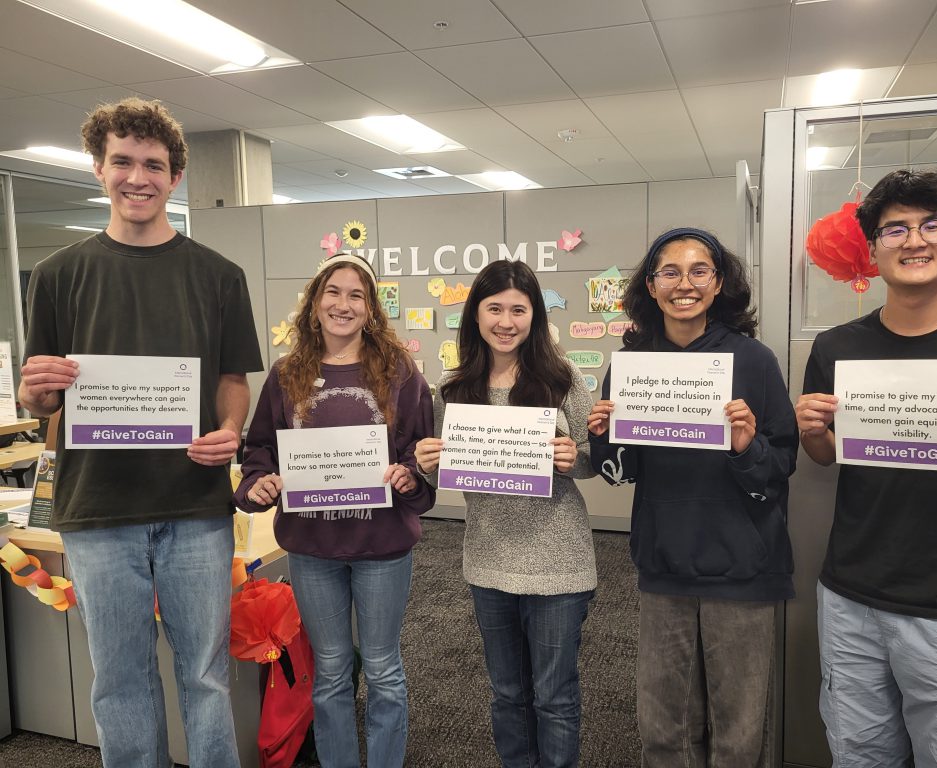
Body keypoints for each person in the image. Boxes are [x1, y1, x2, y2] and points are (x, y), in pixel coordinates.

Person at [18, 98, 263, 767]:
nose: (137, 176)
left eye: (153, 164)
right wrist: (36, 391)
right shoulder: (59, 275)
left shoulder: (218, 275)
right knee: (120, 681)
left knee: (206, 675)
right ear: (98, 169)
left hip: (195, 508)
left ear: (175, 176)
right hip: (97, 509)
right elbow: (37, 394)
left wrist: (231, 431)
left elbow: (232, 380)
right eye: (122, 161)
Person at [797, 168, 937, 768]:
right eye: (895, 229)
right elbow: (826, 456)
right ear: (872, 249)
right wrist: (812, 432)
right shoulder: (837, 347)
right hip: (851, 591)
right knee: (858, 751)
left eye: (933, 224)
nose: (915, 241)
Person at [588, 228, 797, 767]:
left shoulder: (754, 360)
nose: (685, 283)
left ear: (719, 281)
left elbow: (782, 465)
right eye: (670, 272)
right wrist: (603, 436)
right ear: (651, 287)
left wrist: (746, 447)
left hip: (744, 567)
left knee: (739, 732)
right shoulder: (632, 363)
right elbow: (618, 472)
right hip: (664, 564)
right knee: (663, 728)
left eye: (699, 270)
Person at [234, 253, 434, 768]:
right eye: (333, 293)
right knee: (329, 670)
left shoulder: (401, 373)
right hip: (311, 548)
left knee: (385, 669)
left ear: (370, 310)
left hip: (383, 545)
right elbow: (258, 450)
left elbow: (422, 449)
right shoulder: (285, 375)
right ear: (314, 302)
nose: (343, 305)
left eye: (356, 296)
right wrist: (259, 483)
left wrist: (409, 473)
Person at [414, 259, 597, 768]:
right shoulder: (454, 390)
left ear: (535, 317)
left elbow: (594, 458)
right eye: (494, 308)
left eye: (519, 309)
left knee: (555, 697)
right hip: (489, 563)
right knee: (507, 694)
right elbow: (443, 472)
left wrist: (573, 458)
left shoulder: (564, 379)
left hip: (559, 567)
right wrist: (426, 463)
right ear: (475, 315)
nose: (506, 321)